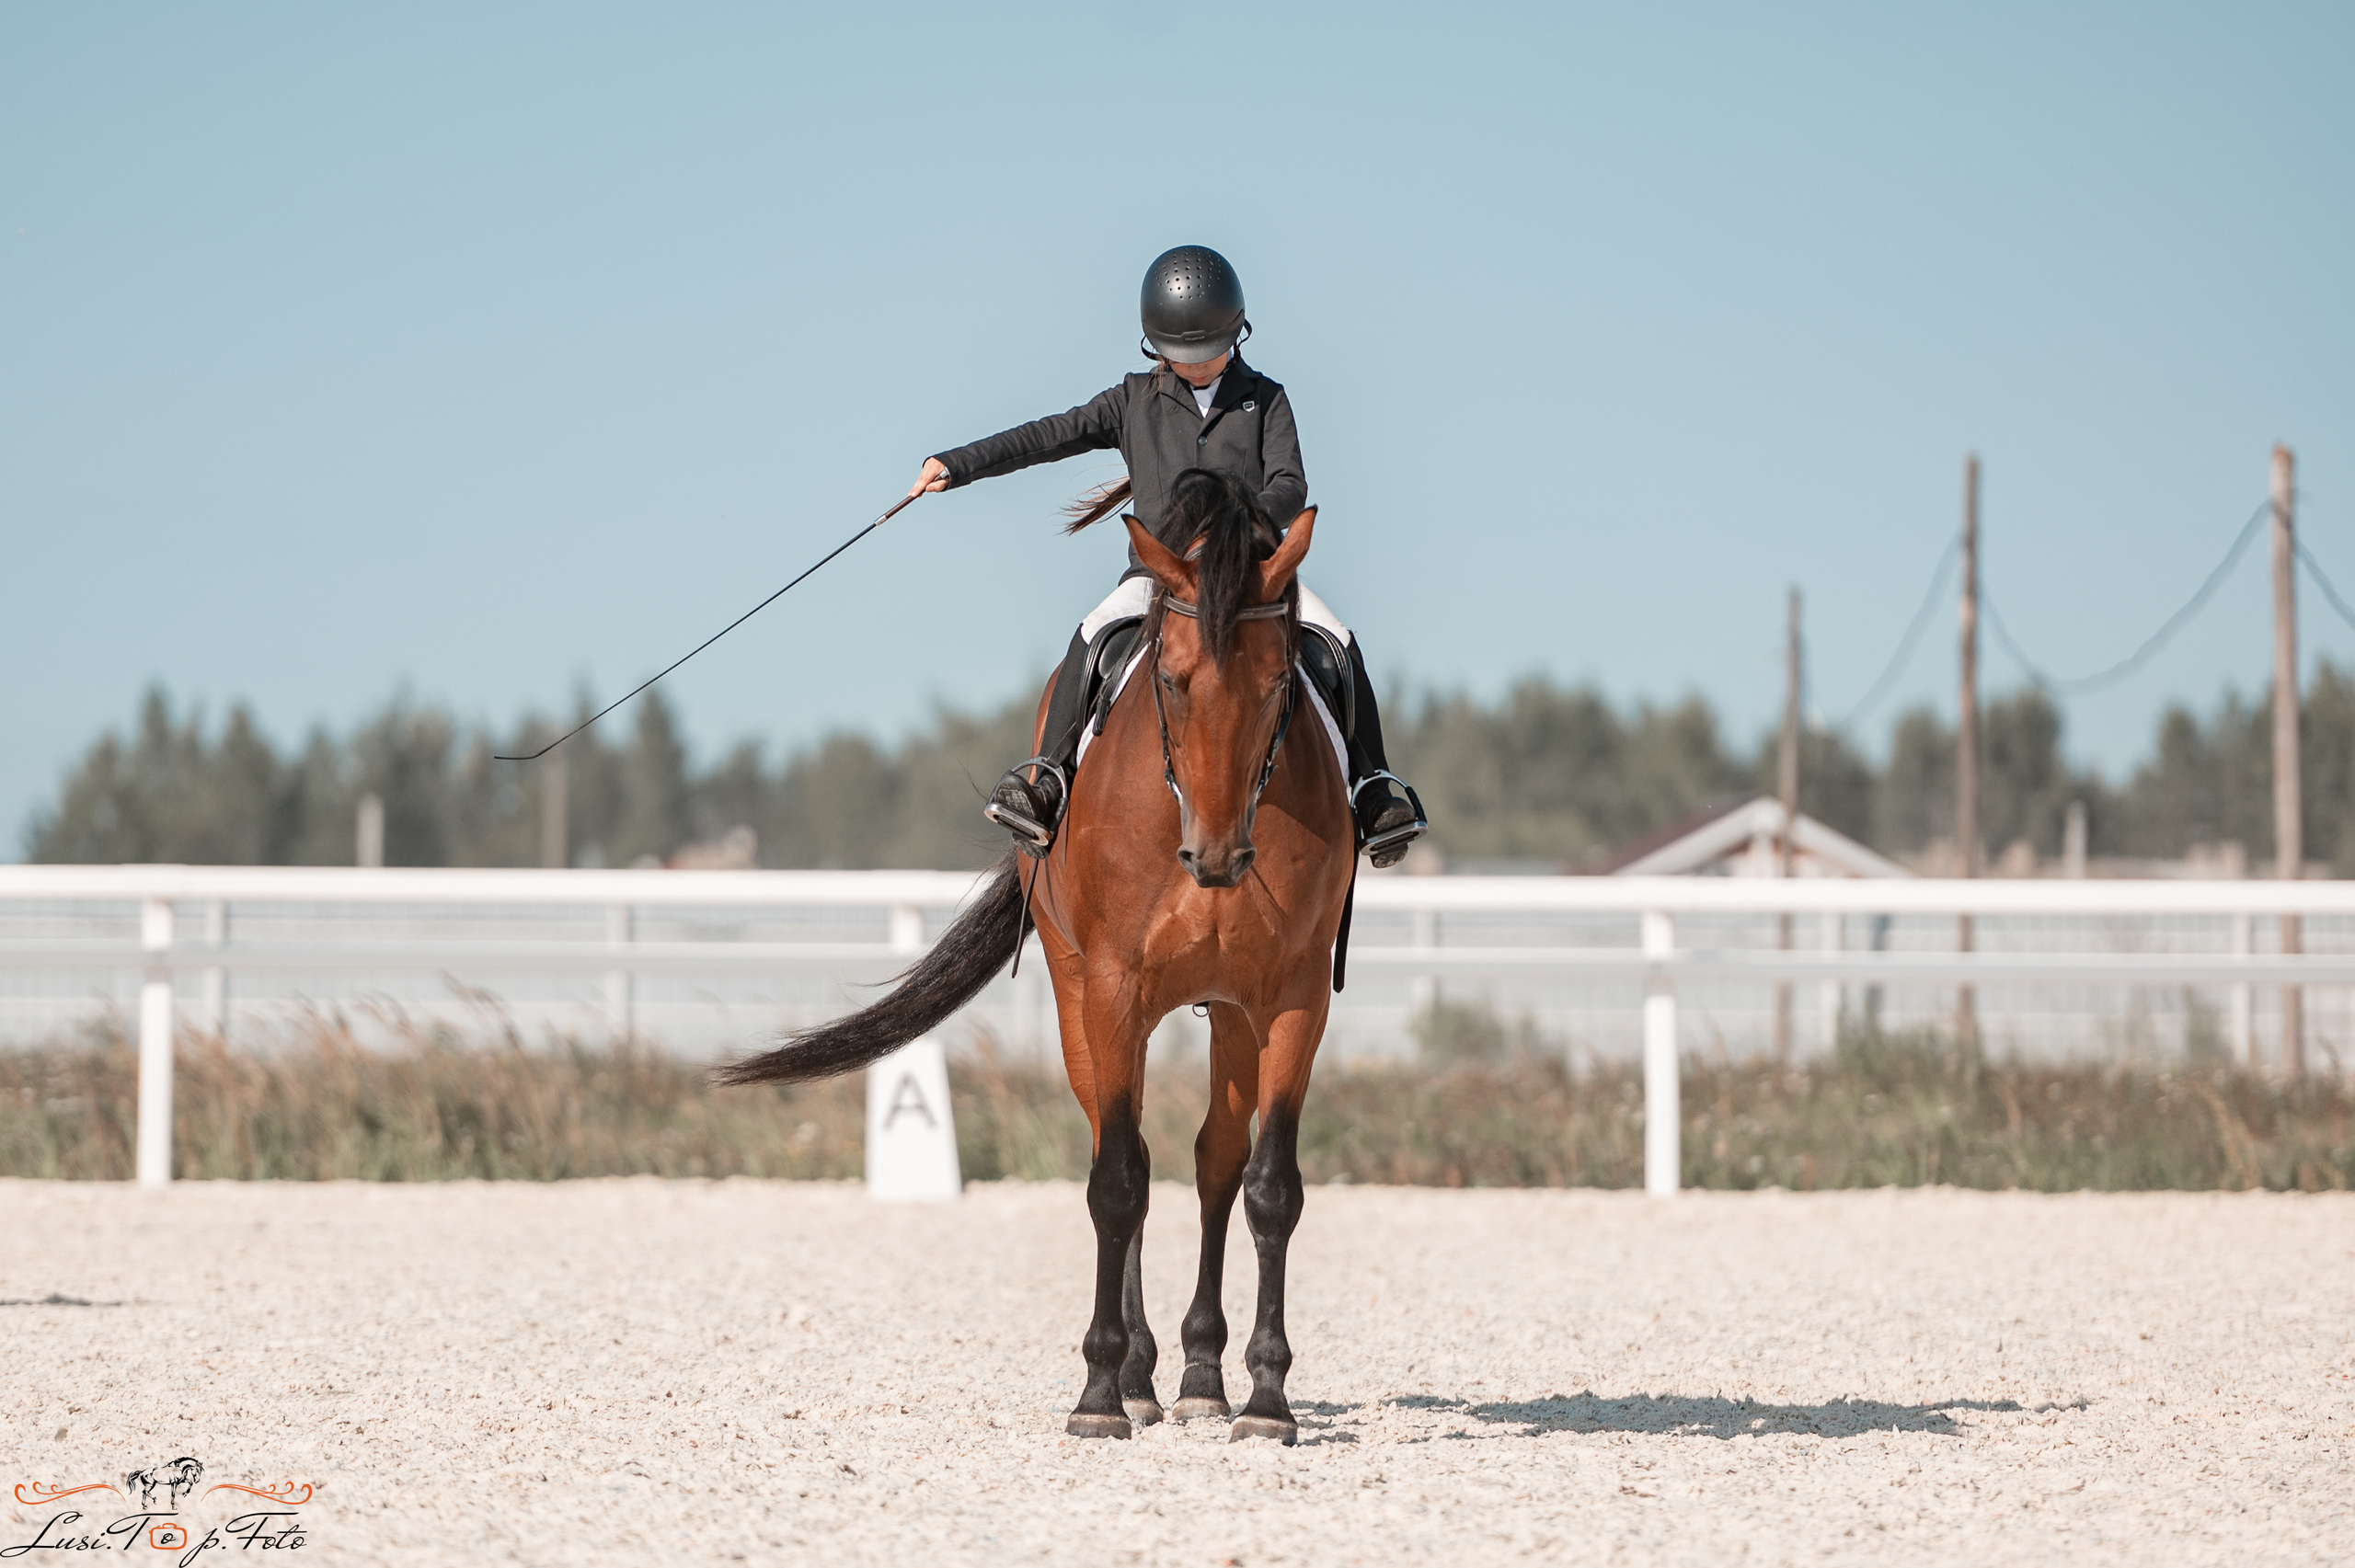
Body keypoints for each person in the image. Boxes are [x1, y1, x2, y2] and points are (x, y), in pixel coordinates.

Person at [909, 245, 1425, 867]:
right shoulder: (1133, 401)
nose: (1198, 366)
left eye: (1209, 353)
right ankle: (1047, 776)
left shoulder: (1267, 399)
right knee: (1094, 634)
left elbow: (1292, 484)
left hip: (1250, 580)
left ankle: (1372, 786)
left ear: (1237, 333)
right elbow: (1048, 435)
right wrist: (957, 465)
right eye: (1182, 357)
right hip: (1161, 579)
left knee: (1336, 639)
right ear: (1156, 347)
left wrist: (1244, 528)